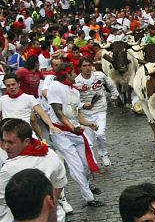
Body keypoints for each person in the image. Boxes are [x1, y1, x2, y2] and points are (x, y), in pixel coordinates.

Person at [45, 63, 104, 207]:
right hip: (61, 133)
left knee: (85, 164)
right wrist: (71, 128)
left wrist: (90, 124)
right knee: (76, 166)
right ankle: (89, 198)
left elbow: (76, 114)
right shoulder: (55, 87)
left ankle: (87, 184)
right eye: (72, 73)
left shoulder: (75, 91)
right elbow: (58, 112)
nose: (75, 75)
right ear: (65, 74)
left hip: (75, 131)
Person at [74, 56, 119, 167]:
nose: (87, 68)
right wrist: (83, 105)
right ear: (80, 68)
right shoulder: (76, 82)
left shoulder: (100, 75)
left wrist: (115, 95)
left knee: (100, 134)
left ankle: (104, 155)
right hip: (85, 114)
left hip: (100, 109)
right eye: (84, 66)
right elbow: (74, 101)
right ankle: (92, 162)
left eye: (89, 65)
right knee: (88, 142)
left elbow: (111, 85)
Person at [0, 73, 59, 141]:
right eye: (8, 85)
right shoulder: (2, 99)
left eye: (13, 84)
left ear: (19, 84)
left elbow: (42, 114)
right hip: (7, 136)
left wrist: (51, 126)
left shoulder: (29, 98)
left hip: (25, 135)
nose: (11, 87)